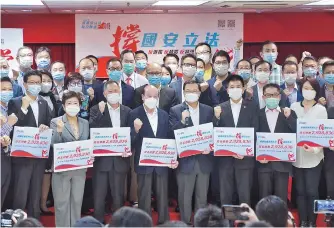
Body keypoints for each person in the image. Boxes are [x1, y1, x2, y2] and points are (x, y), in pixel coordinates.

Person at [129, 85, 178, 224]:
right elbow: (130, 142)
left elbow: (169, 137)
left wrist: (172, 158)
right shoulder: (134, 114)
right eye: (148, 96)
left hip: (162, 162)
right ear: (143, 97)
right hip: (144, 162)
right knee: (144, 196)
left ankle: (164, 222)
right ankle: (145, 222)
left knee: (163, 195)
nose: (152, 99)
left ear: (158, 98)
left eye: (155, 96)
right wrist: (136, 131)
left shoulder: (164, 114)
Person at [8, 70, 51, 219]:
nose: (35, 85)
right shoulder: (15, 102)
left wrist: (46, 128)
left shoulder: (44, 103)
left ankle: (34, 221)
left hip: (39, 156)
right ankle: (18, 222)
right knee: (20, 193)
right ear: (25, 84)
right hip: (22, 157)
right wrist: (24, 108)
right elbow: (12, 127)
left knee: (35, 193)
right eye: (31, 83)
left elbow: (47, 124)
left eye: (37, 83)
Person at [169, 81, 213, 225]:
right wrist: (182, 121)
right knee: (184, 197)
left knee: (202, 197)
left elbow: (213, 132)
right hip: (185, 161)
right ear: (184, 92)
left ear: (200, 93)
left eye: (195, 90)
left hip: (204, 160)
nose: (192, 93)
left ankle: (200, 223)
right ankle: (185, 223)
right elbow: (171, 133)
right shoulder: (175, 110)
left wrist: (211, 146)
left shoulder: (208, 110)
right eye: (189, 90)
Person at [89, 80, 132, 223]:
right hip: (102, 160)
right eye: (111, 91)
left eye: (116, 91)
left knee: (118, 196)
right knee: (99, 196)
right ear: (104, 93)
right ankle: (98, 222)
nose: (114, 94)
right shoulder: (96, 109)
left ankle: (118, 223)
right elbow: (92, 130)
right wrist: (101, 113)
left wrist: (128, 148)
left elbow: (131, 134)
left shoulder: (128, 111)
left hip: (120, 160)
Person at [214, 75, 258, 207]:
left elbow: (255, 130)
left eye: (238, 86)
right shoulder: (219, 108)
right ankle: (226, 223)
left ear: (243, 88)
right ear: (227, 90)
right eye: (231, 87)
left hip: (245, 159)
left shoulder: (252, 106)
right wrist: (216, 118)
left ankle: (244, 222)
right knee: (225, 195)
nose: (235, 89)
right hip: (225, 160)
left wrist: (244, 150)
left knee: (245, 195)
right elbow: (215, 132)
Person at [290, 78, 327, 227]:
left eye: (311, 89)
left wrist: (315, 149)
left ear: (316, 91)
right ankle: (302, 222)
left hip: (314, 157)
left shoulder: (321, 109)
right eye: (305, 88)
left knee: (312, 191)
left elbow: (323, 133)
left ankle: (312, 222)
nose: (308, 91)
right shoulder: (293, 106)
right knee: (300, 191)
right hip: (297, 157)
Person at [50, 91, 90, 227]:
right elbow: (54, 144)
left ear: (80, 106)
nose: (72, 106)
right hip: (62, 169)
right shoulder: (56, 122)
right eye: (69, 103)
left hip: (79, 169)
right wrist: (59, 131)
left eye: (75, 103)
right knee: (62, 204)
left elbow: (87, 144)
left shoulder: (85, 123)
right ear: (64, 105)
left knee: (77, 202)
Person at [257, 83, 297, 202]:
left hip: (282, 165)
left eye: (275, 95)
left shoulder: (289, 113)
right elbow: (252, 138)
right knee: (264, 199)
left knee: (281, 199)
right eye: (268, 95)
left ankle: (280, 221)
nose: (272, 98)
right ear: (263, 97)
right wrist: (257, 156)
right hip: (263, 165)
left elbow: (296, 133)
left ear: (279, 96)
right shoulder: (257, 114)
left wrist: (289, 117)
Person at [39, 70, 59, 215]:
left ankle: (43, 203)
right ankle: (34, 203)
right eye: (42, 80)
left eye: (48, 80)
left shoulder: (55, 98)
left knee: (48, 173)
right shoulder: (33, 98)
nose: (45, 83)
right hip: (36, 141)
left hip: (52, 142)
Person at [0, 77, 18, 207]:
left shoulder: (10, 109)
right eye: (3, 89)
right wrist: (9, 124)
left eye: (10, 89)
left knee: (4, 191)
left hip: (7, 155)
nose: (7, 92)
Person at [325, 106, 334, 226]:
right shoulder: (331, 111)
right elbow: (324, 132)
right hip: (331, 158)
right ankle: (331, 221)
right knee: (331, 190)